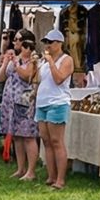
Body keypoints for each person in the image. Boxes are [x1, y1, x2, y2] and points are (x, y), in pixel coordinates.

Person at [35, 30, 75, 190]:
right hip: (42, 102)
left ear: (59, 43)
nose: (48, 46)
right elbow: (37, 80)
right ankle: (51, 176)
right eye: (46, 42)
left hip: (57, 102)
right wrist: (34, 64)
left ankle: (60, 179)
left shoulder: (67, 60)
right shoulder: (44, 62)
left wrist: (51, 62)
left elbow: (59, 79)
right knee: (46, 141)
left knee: (57, 141)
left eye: (50, 42)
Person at [0, 32, 40, 181]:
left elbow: (26, 76)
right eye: (14, 39)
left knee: (28, 135)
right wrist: (5, 63)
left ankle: (31, 171)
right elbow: (0, 78)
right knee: (16, 135)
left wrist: (16, 64)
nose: (15, 42)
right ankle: (20, 168)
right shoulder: (14, 59)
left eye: (18, 39)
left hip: (24, 100)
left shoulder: (33, 60)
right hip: (10, 100)